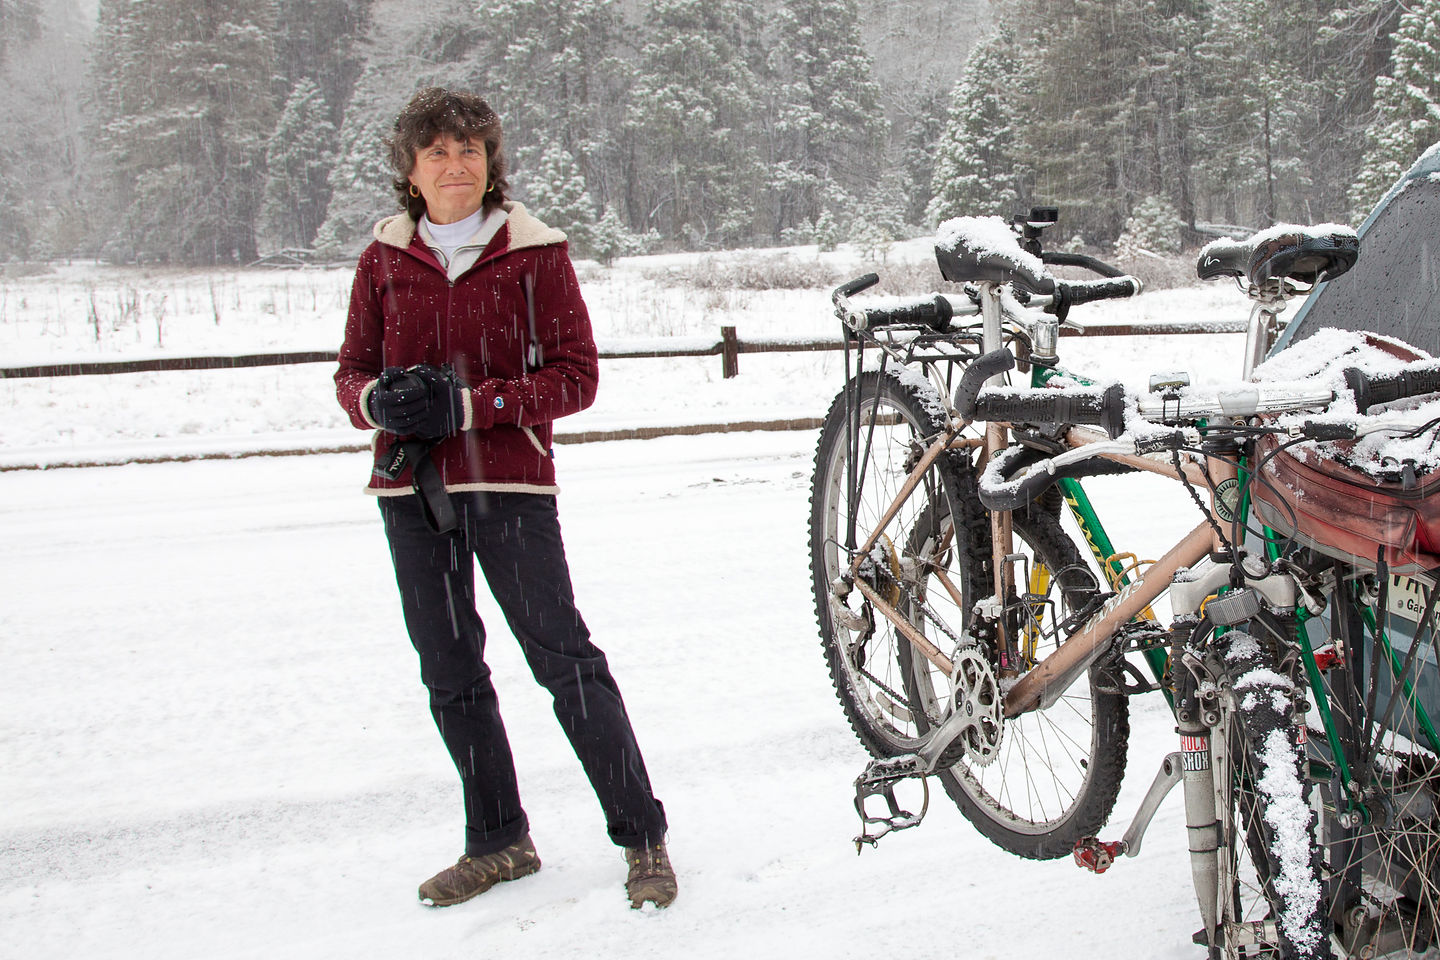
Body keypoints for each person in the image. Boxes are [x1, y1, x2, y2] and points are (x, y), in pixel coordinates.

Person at [334, 87, 675, 910]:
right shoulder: (383, 260)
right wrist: (378, 403)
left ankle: (642, 837)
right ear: (409, 172)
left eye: (470, 151)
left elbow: (576, 377)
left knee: (564, 660)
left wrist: (470, 405)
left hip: (509, 489)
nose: (456, 165)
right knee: (450, 671)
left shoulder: (535, 252)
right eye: (437, 153)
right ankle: (498, 842)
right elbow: (350, 372)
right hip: (409, 489)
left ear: (491, 165)